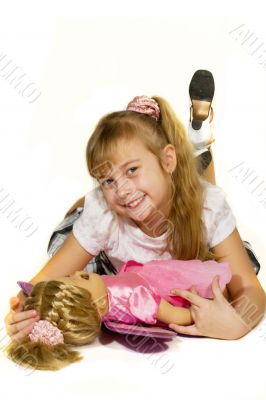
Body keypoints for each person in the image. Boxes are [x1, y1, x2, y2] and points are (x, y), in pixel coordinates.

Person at [4, 70, 265, 344]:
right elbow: (45, 279)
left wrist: (236, 325)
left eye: (131, 170)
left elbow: (250, 289)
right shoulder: (104, 214)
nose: (123, 190)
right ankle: (194, 148)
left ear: (167, 160)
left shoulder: (208, 207)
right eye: (108, 180)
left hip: (191, 228)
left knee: (207, 209)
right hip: (116, 267)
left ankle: (199, 144)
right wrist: (23, 308)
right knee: (84, 281)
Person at [5, 258, 232, 370]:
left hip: (144, 274)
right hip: (165, 288)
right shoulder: (135, 297)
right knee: (203, 279)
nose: (79, 271)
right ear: (98, 306)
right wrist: (197, 315)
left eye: (72, 275)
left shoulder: (101, 294)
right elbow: (171, 314)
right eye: (82, 278)